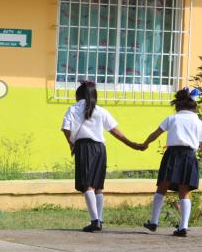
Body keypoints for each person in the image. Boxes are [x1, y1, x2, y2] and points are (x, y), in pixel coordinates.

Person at [62, 81, 145, 232]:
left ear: (79, 95)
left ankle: (94, 221)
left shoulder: (73, 108)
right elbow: (115, 131)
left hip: (84, 147)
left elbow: (66, 129)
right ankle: (99, 219)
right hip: (100, 148)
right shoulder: (101, 111)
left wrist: (71, 143)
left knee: (87, 184)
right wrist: (131, 143)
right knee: (98, 186)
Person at [140, 88, 202, 237]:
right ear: (195, 107)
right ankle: (183, 227)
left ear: (178, 106)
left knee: (162, 187)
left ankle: (154, 222)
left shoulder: (172, 118)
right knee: (184, 192)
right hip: (189, 156)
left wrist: (145, 144)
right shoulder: (198, 123)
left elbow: (155, 134)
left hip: (172, 155)